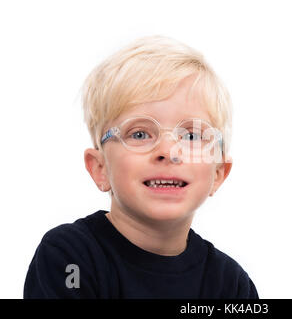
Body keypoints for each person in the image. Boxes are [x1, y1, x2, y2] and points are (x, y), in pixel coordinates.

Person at [23, 35, 258, 298]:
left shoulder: (231, 285)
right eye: (139, 134)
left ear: (218, 173)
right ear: (100, 168)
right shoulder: (70, 257)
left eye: (191, 136)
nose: (168, 152)